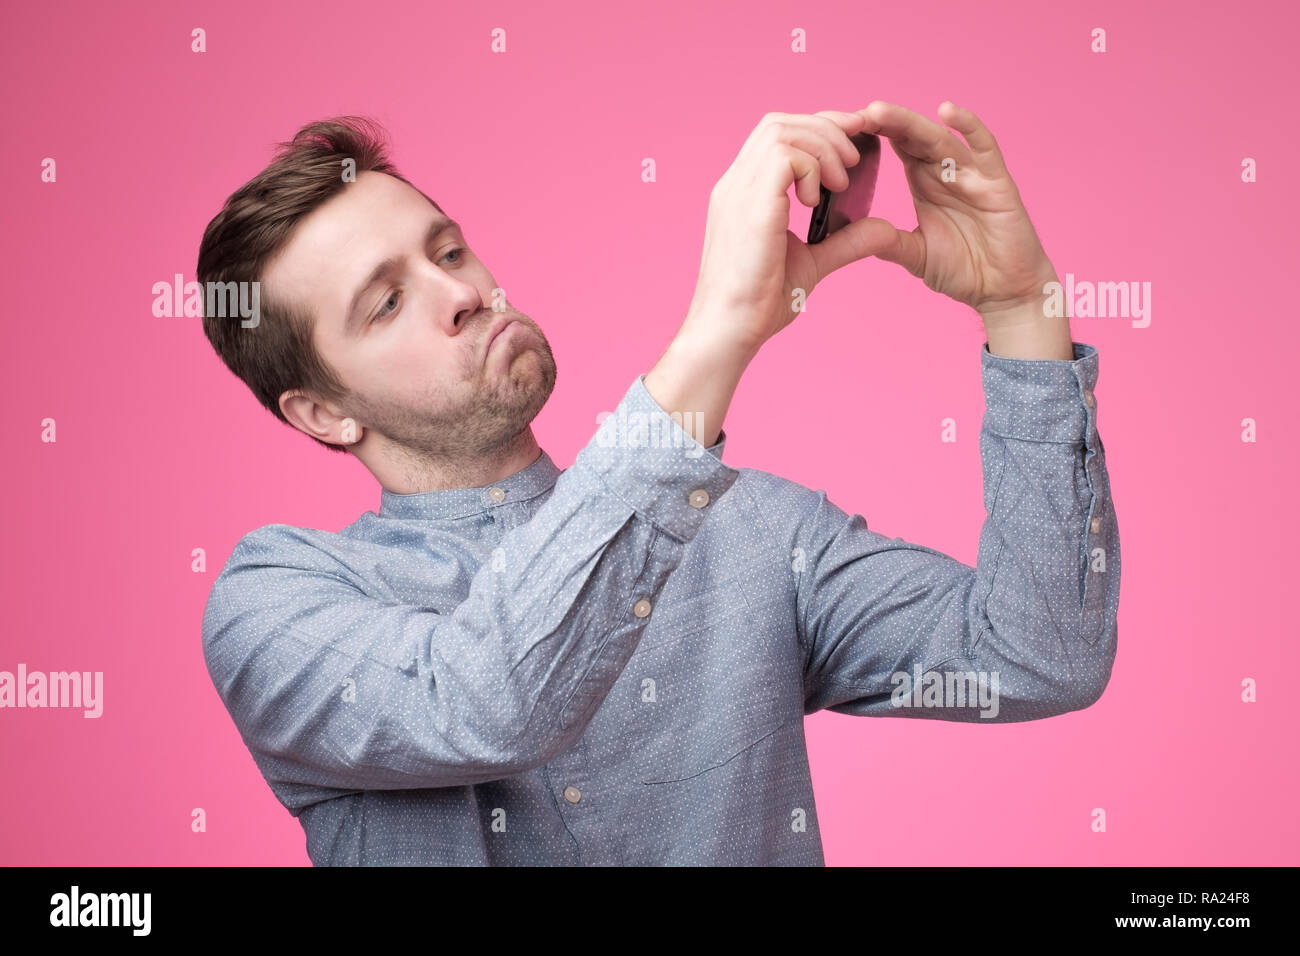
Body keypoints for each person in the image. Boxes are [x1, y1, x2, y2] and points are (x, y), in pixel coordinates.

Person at [198, 101, 1119, 865]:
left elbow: (1034, 657)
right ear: (322, 412)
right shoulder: (276, 605)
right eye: (388, 301)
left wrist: (1021, 310)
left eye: (447, 252)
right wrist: (717, 334)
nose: (464, 292)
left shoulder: (753, 530)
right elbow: (490, 702)